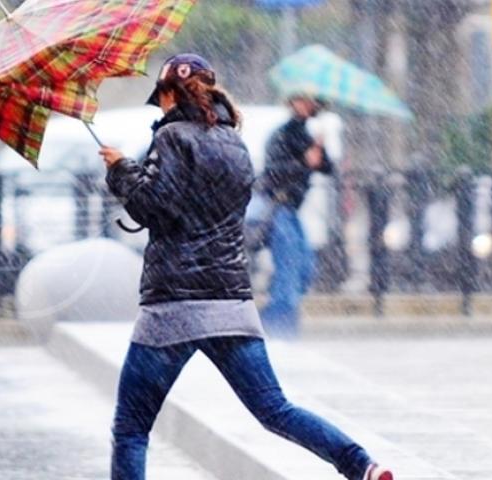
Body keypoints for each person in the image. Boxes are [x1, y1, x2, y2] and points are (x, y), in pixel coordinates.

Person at [99, 54, 392, 480]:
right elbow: (202, 206)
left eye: (159, 98)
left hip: (174, 306)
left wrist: (121, 171)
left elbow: (152, 209)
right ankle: (360, 464)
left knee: (131, 428)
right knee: (275, 409)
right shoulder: (233, 142)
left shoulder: (171, 138)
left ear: (169, 93)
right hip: (230, 302)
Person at [258, 94, 334, 337]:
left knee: (304, 268)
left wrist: (319, 149)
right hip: (279, 207)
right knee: (289, 269)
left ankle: (274, 318)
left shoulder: (305, 135)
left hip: (291, 211)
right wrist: (304, 161)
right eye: (300, 100)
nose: (306, 105)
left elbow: (326, 167)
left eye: (310, 101)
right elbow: (274, 172)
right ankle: (279, 324)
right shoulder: (283, 134)